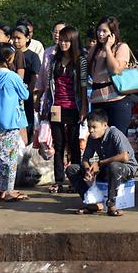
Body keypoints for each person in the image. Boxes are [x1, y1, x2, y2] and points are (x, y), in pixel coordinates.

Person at [39, 26, 89, 193]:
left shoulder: (81, 60)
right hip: (56, 106)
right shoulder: (54, 60)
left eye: (66, 40)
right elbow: (49, 86)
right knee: (58, 146)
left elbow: (83, 86)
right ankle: (59, 180)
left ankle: (75, 180)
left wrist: (83, 107)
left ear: (73, 41)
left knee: (74, 145)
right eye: (61, 39)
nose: (62, 43)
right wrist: (45, 105)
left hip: (73, 106)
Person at [67, 108, 138, 216]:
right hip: (106, 168)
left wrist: (99, 163)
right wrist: (88, 170)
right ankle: (92, 203)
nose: (91, 130)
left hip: (124, 169)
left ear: (105, 125)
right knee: (72, 169)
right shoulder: (92, 138)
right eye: (89, 127)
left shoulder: (115, 133)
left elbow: (124, 157)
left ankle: (111, 205)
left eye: (94, 127)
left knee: (114, 166)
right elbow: (85, 159)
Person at [0, 42, 30, 202]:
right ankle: (9, 190)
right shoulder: (13, 76)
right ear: (9, 57)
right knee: (10, 158)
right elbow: (25, 94)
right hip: (10, 121)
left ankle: (1, 191)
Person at [87, 16, 134, 133]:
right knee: (98, 138)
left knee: (118, 138)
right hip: (98, 101)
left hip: (118, 100)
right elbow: (90, 73)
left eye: (104, 31)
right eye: (99, 30)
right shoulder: (94, 50)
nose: (100, 34)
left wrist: (108, 48)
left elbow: (116, 69)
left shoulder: (121, 47)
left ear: (112, 33)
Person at [10, 25, 41, 141]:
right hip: (12, 96)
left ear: (27, 38)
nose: (16, 41)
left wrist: (29, 95)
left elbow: (35, 77)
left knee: (27, 123)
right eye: (13, 38)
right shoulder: (9, 55)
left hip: (26, 95)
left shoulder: (33, 56)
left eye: (19, 38)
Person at [35, 21, 67, 104]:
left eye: (60, 32)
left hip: (67, 98)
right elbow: (42, 76)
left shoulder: (71, 54)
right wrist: (38, 99)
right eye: (55, 32)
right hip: (49, 98)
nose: (57, 35)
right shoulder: (48, 52)